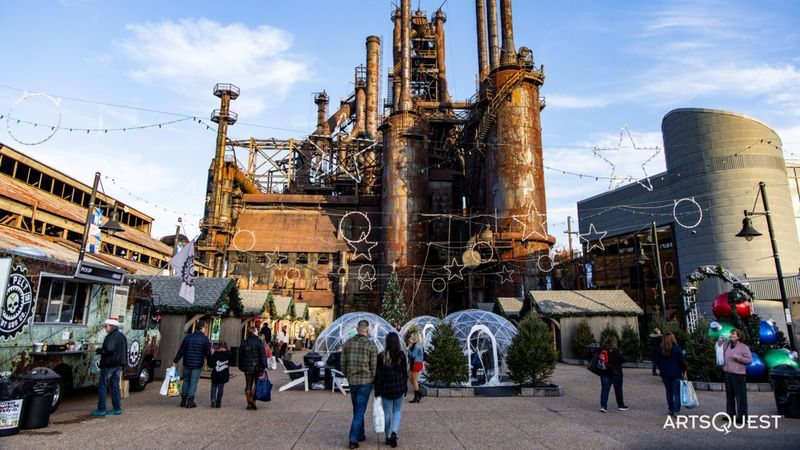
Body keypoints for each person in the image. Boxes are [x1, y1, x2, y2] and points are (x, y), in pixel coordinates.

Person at [343, 319, 378, 449]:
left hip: (353, 381)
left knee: (357, 408)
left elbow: (342, 362)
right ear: (367, 330)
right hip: (365, 381)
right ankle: (353, 438)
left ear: (357, 329)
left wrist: (347, 374)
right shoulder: (371, 345)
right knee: (360, 409)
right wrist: (373, 378)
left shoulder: (348, 344)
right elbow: (374, 365)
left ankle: (360, 433)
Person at [374, 333, 408, 448]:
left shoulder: (381, 356)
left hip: (385, 388)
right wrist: (405, 387)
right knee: (397, 411)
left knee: (387, 413)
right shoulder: (401, 355)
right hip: (398, 388)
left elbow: (378, 375)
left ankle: (387, 437)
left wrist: (377, 390)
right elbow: (404, 373)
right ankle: (394, 432)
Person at [91, 318, 128, 416]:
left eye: (106, 326)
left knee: (103, 386)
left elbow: (109, 349)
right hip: (118, 365)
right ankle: (117, 408)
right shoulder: (122, 336)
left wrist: (98, 350)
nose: (105, 328)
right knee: (115, 386)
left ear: (111, 326)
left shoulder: (111, 336)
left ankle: (101, 409)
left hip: (109, 365)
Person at [173, 320, 211, 408]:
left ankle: (183, 400)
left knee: (186, 380)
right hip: (197, 364)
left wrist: (175, 360)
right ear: (201, 328)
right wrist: (210, 363)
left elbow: (181, 350)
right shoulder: (204, 339)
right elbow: (208, 353)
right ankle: (190, 400)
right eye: (205, 327)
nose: (205, 329)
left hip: (187, 362)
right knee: (193, 382)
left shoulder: (188, 337)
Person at [718, 329, 752, 419]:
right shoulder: (727, 344)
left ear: (738, 337)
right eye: (731, 334)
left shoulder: (744, 347)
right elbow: (718, 346)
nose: (731, 335)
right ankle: (730, 415)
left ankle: (742, 417)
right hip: (728, 373)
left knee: (740, 397)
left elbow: (749, 360)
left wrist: (738, 357)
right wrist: (720, 339)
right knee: (729, 396)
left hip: (739, 375)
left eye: (733, 334)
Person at [654, 332, 685, 416]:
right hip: (676, 373)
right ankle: (676, 410)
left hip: (665, 373)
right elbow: (682, 361)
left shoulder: (660, 349)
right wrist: (684, 370)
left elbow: (657, 361)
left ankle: (671, 409)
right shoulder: (677, 349)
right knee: (676, 392)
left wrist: (661, 368)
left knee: (669, 391)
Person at [238, 326, 268, 410]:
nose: (258, 332)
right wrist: (265, 365)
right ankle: (252, 400)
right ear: (254, 332)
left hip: (247, 366)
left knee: (248, 384)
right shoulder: (259, 341)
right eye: (257, 331)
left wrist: (240, 366)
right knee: (257, 383)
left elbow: (240, 356)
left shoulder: (244, 342)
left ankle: (249, 403)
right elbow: (263, 355)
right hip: (257, 366)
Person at [599, 335, 629, 413]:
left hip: (605, 372)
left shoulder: (603, 350)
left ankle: (603, 406)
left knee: (605, 390)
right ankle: (620, 405)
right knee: (618, 389)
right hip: (616, 373)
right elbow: (623, 359)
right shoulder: (616, 351)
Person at [208, 340, 230, 408]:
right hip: (224, 374)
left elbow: (210, 364)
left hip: (215, 374)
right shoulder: (228, 354)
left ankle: (213, 399)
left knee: (214, 387)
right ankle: (218, 402)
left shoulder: (215, 354)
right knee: (221, 388)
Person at [407, 332, 425, 403]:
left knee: (414, 380)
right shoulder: (419, 344)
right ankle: (419, 393)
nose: (410, 338)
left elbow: (413, 355)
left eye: (411, 337)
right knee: (411, 379)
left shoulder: (417, 345)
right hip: (417, 363)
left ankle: (417, 397)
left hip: (416, 364)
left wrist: (408, 348)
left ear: (415, 337)